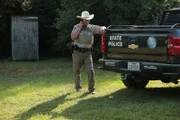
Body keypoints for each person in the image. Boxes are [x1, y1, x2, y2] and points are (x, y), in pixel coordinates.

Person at [71, 11, 106, 94]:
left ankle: (91, 89)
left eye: (89, 19)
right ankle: (78, 87)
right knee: (77, 70)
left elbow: (101, 28)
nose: (88, 21)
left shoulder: (91, 27)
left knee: (90, 70)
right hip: (77, 52)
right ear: (82, 20)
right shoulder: (76, 27)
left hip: (87, 53)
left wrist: (103, 29)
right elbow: (73, 37)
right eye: (86, 20)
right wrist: (79, 28)